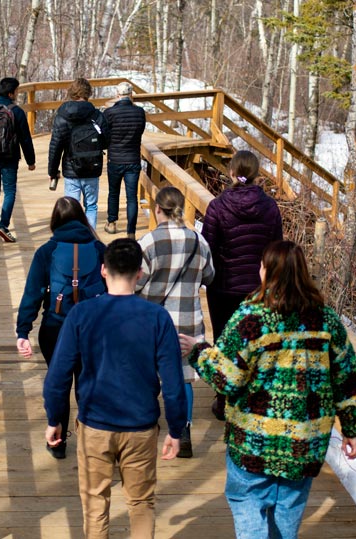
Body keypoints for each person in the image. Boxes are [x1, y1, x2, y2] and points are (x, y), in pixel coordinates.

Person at [180, 240, 356, 539]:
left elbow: (227, 377)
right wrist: (351, 428)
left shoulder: (251, 318)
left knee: (247, 504)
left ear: (265, 271)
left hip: (253, 441)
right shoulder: (326, 320)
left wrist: (198, 352)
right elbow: (347, 377)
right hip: (304, 445)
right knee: (286, 519)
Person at [44, 238, 186, 539]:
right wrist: (176, 429)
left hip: (94, 424)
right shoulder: (157, 318)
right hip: (141, 426)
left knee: (95, 504)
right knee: (142, 503)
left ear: (104, 270)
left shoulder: (81, 314)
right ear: (139, 274)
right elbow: (173, 384)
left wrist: (54, 418)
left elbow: (58, 375)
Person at [16, 197, 106, 458]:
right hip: (92, 330)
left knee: (59, 383)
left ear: (55, 221)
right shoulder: (100, 248)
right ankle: (92, 443)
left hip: (55, 329)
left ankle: (58, 439)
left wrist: (23, 331)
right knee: (86, 385)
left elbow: (32, 293)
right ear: (82, 218)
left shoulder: (47, 251)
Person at [201, 151, 283, 419]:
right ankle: (252, 400)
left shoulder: (217, 206)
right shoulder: (270, 207)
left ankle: (224, 399)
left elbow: (208, 247)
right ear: (257, 174)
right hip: (257, 287)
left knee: (224, 340)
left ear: (231, 172)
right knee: (256, 342)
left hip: (223, 285)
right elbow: (277, 248)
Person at [136, 186, 214, 458]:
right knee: (184, 377)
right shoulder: (198, 241)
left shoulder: (147, 243)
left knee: (147, 373)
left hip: (151, 321)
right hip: (186, 319)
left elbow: (137, 281)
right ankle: (183, 431)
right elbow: (209, 276)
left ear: (158, 209)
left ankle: (147, 422)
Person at [0, 77, 36, 243]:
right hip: (9, 157)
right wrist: (31, 161)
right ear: (11, 93)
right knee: (9, 191)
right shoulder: (17, 112)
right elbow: (25, 139)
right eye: (16, 91)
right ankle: (3, 224)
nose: (17, 93)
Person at [47, 78, 107, 228]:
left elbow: (56, 146)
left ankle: (73, 242)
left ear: (72, 92)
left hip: (71, 169)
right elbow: (106, 141)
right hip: (92, 168)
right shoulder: (96, 115)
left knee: (71, 209)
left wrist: (53, 171)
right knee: (91, 207)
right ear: (88, 93)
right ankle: (90, 241)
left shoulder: (62, 116)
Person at [102, 82, 147, 236]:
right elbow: (140, 131)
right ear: (131, 95)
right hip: (133, 159)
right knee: (132, 197)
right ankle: (131, 232)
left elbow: (104, 134)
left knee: (113, 193)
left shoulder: (109, 113)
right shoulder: (140, 112)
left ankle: (112, 223)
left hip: (115, 158)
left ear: (117, 94)